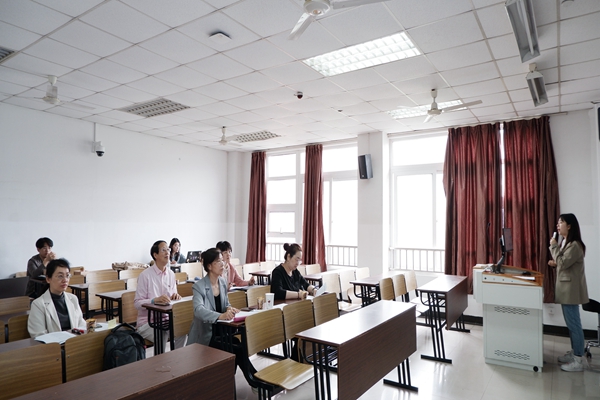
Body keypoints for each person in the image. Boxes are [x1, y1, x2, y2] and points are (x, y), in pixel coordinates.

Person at [548, 213, 589, 372]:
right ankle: (575, 352)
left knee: (574, 325)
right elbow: (563, 262)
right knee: (571, 324)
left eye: (561, 222)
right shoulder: (567, 243)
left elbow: (563, 262)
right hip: (567, 290)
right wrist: (556, 262)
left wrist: (553, 246)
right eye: (558, 223)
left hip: (570, 291)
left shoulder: (575, 245)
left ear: (569, 226)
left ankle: (578, 359)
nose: (558, 225)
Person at [134, 240, 185, 349]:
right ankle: (161, 360)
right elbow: (137, 303)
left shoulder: (171, 274)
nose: (167, 252)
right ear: (155, 255)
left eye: (168, 250)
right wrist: (153, 300)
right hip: (147, 322)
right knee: (161, 334)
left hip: (166, 319)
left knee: (182, 331)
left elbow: (173, 295)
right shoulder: (145, 275)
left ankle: (177, 358)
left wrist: (176, 297)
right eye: (163, 250)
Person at [187, 248, 238, 347]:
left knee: (238, 345)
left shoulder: (223, 282)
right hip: (205, 336)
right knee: (233, 348)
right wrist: (220, 316)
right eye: (218, 261)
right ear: (209, 266)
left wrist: (229, 309)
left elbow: (226, 304)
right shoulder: (198, 286)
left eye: (222, 260)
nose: (222, 264)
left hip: (221, 332)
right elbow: (198, 310)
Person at [28, 258, 86, 338]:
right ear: (48, 279)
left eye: (67, 275)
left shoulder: (73, 299)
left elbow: (82, 325)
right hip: (54, 344)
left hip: (74, 342)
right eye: (60, 276)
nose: (65, 280)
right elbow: (38, 335)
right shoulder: (38, 304)